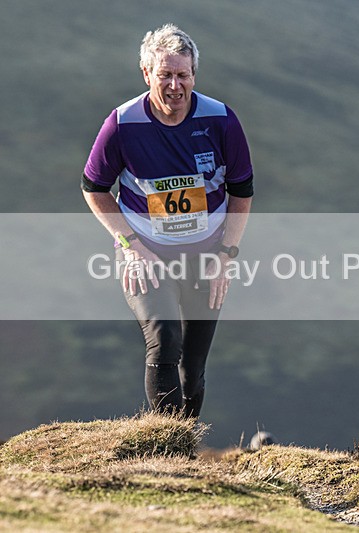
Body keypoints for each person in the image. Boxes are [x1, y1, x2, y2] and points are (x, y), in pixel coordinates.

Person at [81, 23, 254, 417]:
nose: (175, 86)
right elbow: (94, 188)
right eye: (165, 75)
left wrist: (226, 255)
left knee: (191, 371)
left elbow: (241, 193)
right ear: (146, 73)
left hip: (206, 256)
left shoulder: (222, 121)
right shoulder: (122, 124)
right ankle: (167, 445)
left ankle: (185, 447)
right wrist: (132, 247)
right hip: (148, 256)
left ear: (194, 74)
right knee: (164, 339)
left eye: (183, 75)